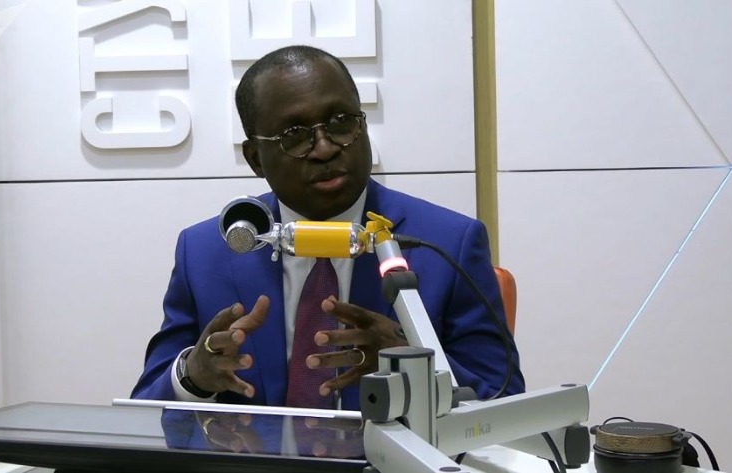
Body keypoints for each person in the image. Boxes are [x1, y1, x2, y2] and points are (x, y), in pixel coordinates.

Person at [131, 45, 524, 410]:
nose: (324, 148)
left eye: (340, 123)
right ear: (256, 159)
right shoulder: (205, 253)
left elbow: (504, 401)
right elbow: (146, 407)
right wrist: (193, 376)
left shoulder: (447, 244)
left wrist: (412, 365)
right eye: (295, 136)